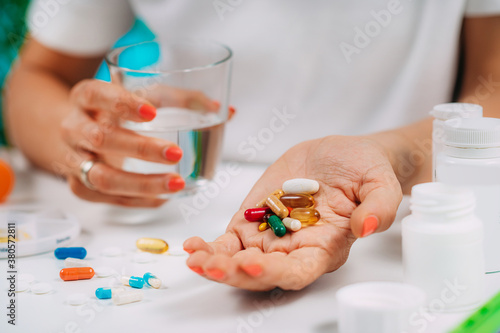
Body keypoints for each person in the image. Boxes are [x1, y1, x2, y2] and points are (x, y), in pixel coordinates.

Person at [4, 0, 500, 290]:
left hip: (399, 226)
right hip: (169, 217)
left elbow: (492, 90)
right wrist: (84, 144)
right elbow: (36, 77)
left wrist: (392, 155)